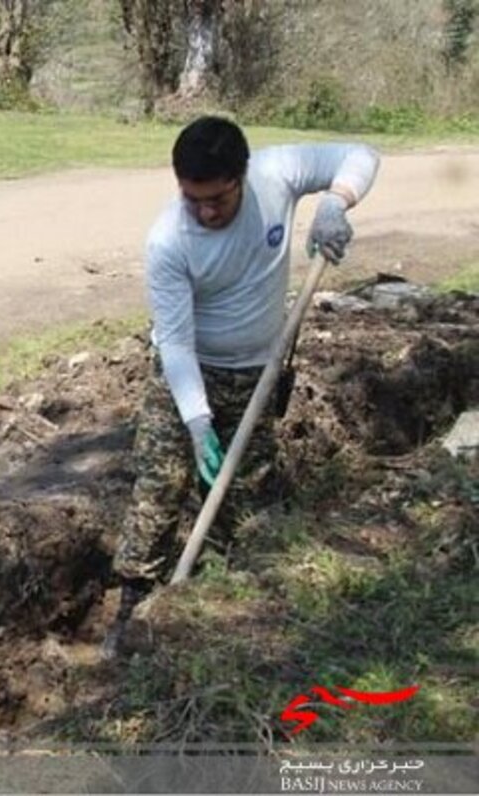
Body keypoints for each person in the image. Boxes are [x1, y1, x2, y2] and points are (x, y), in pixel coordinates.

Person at [101, 117, 380, 659]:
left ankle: (219, 605)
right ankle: (132, 609)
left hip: (258, 372)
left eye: (218, 199)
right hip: (188, 374)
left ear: (242, 177)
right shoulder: (168, 241)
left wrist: (335, 203)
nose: (206, 211)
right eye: (192, 198)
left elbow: (362, 154)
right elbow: (176, 344)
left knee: (243, 496)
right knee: (160, 489)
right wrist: (198, 421)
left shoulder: (278, 172)